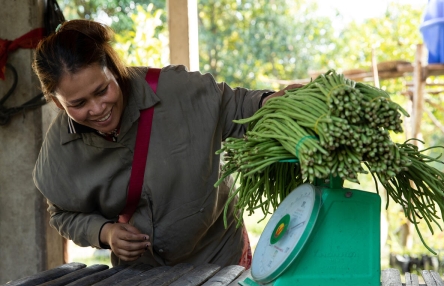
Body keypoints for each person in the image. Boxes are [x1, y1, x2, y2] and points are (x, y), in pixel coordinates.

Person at [32, 19, 300, 268]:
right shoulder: (60, 151)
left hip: (219, 257)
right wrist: (105, 233)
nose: (98, 108)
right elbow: (62, 213)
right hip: (144, 277)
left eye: (102, 90)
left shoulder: (174, 89)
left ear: (114, 70)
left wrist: (271, 102)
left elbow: (237, 106)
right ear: (58, 103)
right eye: (78, 104)